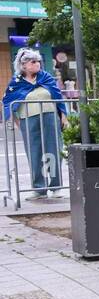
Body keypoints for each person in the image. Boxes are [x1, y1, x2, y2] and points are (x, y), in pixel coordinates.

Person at [3, 48, 67, 197]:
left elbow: (58, 97)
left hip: (50, 117)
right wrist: (15, 121)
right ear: (23, 65)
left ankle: (56, 186)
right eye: (33, 61)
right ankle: (39, 188)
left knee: (54, 149)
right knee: (34, 152)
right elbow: (8, 101)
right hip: (28, 120)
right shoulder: (17, 82)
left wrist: (63, 116)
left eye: (38, 61)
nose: (37, 64)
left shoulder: (46, 78)